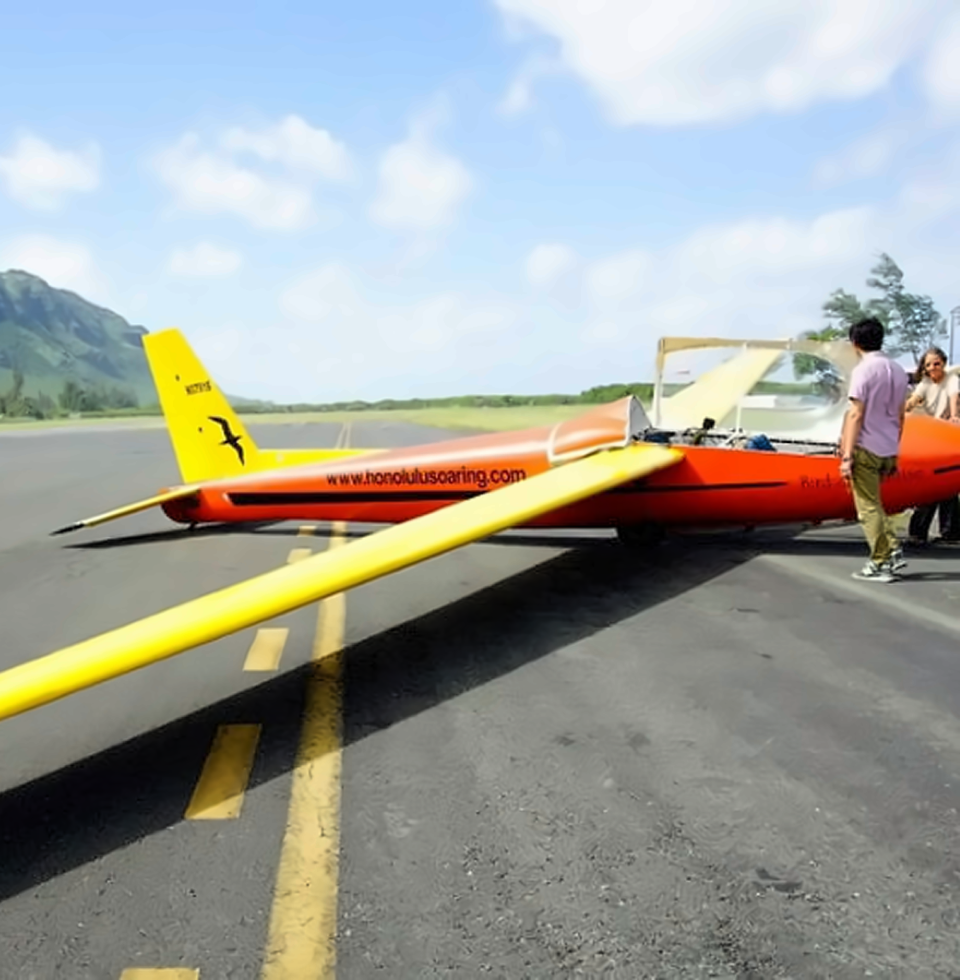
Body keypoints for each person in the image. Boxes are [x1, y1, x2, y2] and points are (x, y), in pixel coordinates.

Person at [839, 317, 909, 582]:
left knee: (867, 508)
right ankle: (892, 549)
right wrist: (895, 447)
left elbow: (856, 414)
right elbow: (901, 415)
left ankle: (881, 562)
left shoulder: (863, 371)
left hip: (865, 446)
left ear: (855, 343)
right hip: (888, 447)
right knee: (876, 504)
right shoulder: (898, 370)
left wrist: (847, 455)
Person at [904, 345, 960, 545]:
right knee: (938, 485)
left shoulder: (951, 379)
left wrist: (954, 416)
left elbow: (954, 397)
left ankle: (941, 533)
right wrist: (901, 412)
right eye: (928, 365)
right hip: (933, 437)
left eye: (937, 363)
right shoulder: (926, 383)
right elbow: (914, 400)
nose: (933, 368)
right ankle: (939, 532)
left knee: (943, 485)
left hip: (949, 435)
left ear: (943, 363)